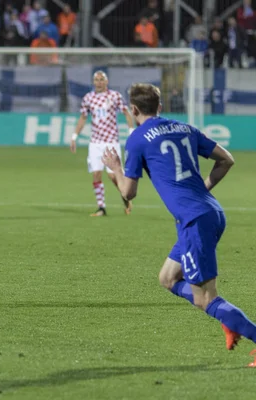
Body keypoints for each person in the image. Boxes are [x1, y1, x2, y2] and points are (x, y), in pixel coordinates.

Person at [102, 83, 256, 361]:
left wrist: (115, 169)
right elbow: (227, 160)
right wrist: (202, 190)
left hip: (195, 219)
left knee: (205, 299)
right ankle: (227, 317)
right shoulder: (185, 128)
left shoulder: (137, 138)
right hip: (209, 212)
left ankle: (234, 320)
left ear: (133, 109)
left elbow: (128, 192)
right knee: (168, 278)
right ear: (160, 107)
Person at [70, 71, 135, 217]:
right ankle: (101, 208)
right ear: (93, 82)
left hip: (111, 142)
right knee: (96, 175)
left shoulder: (114, 96)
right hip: (95, 143)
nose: (99, 82)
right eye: (96, 80)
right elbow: (82, 117)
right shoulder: (88, 98)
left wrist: (131, 132)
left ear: (106, 81)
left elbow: (126, 113)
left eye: (101, 80)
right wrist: (74, 136)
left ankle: (125, 197)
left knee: (113, 176)